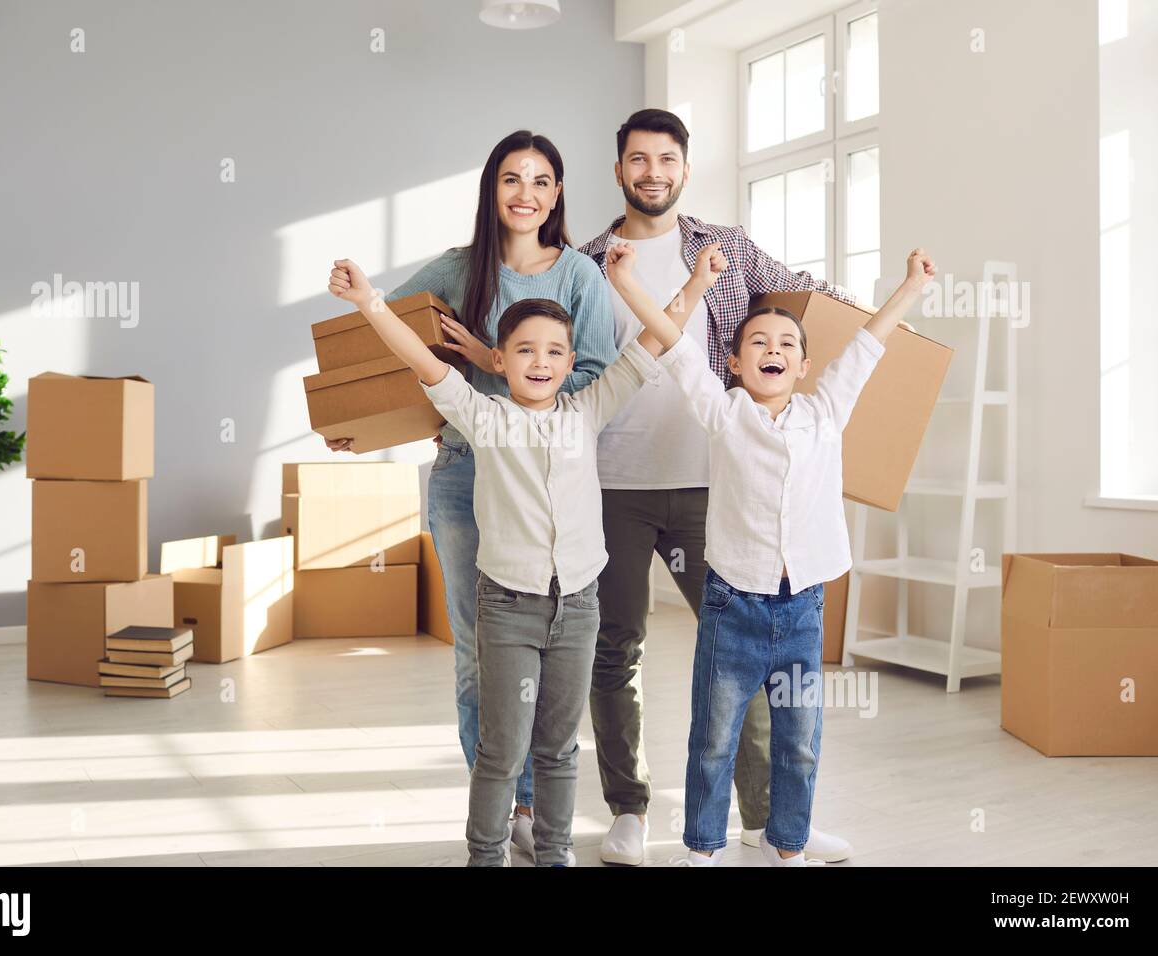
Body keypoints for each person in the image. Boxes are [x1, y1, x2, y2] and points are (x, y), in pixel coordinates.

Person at [327, 247, 718, 865]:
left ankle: (556, 854)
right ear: (500, 360)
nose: (542, 362)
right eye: (527, 350)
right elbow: (422, 359)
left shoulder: (589, 410)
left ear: (571, 363)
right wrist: (370, 301)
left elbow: (655, 339)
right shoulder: (483, 417)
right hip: (509, 606)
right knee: (502, 750)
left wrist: (696, 280)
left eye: (556, 351)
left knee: (560, 749)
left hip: (579, 606)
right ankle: (487, 855)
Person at [577, 107, 858, 865]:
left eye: (666, 159)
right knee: (616, 647)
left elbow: (804, 298)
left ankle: (768, 822)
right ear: (620, 171)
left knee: (749, 653)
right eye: (639, 160)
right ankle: (629, 810)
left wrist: (880, 319)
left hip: (713, 487)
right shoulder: (589, 261)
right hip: (612, 484)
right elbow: (540, 361)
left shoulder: (724, 248)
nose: (653, 173)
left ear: (684, 168)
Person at [324, 131, 617, 860]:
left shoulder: (580, 274)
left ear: (558, 194)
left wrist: (494, 360)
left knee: (549, 659)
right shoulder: (461, 269)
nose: (527, 193)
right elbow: (390, 344)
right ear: (493, 190)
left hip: (544, 488)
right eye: (512, 179)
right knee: (476, 658)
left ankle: (536, 808)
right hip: (464, 475)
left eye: (543, 180)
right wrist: (355, 422)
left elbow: (597, 379)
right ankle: (506, 804)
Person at [608, 240, 936, 865]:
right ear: (732, 362)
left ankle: (789, 844)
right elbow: (671, 344)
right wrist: (626, 280)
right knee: (713, 738)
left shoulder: (825, 412)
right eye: (757, 343)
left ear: (807, 366)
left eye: (787, 344)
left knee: (799, 740)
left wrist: (911, 288)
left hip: (801, 607)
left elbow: (867, 346)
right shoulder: (723, 413)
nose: (773, 352)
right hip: (733, 606)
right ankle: (702, 850)